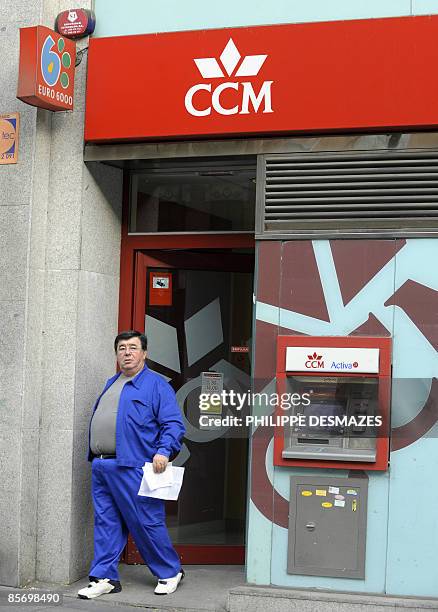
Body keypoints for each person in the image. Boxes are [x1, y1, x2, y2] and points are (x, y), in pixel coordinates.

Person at [77, 330, 186, 599]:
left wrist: (164, 450)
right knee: (106, 522)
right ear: (116, 354)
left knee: (145, 522)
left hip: (133, 465)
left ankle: (170, 571)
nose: (127, 352)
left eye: (133, 347)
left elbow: (173, 423)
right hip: (102, 466)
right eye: (122, 348)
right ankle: (105, 577)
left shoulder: (155, 385)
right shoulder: (111, 382)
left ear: (144, 353)